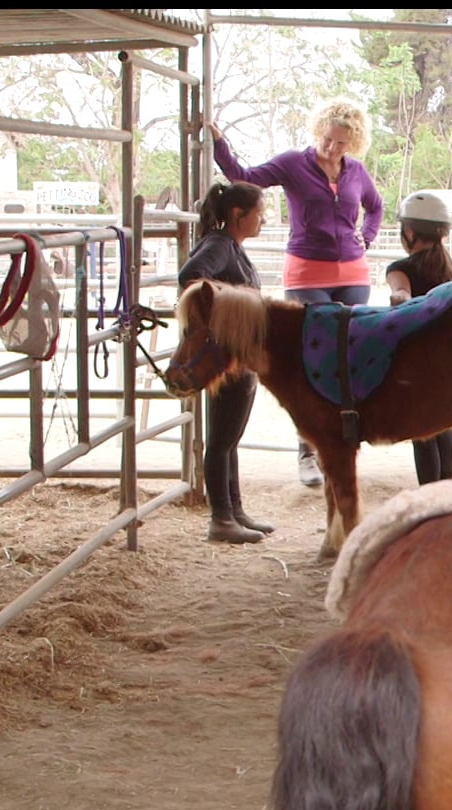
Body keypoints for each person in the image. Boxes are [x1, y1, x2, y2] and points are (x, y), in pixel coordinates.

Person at [209, 100, 385, 489]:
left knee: (349, 358)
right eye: (327, 138)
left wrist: (367, 237)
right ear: (317, 130)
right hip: (307, 271)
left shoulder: (356, 171)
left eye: (341, 143)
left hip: (353, 271)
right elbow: (244, 175)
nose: (332, 147)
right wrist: (220, 142)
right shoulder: (293, 164)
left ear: (353, 143)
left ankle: (340, 447)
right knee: (312, 360)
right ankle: (307, 451)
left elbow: (376, 207)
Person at [178, 180, 275, 544]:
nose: (262, 220)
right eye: (258, 214)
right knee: (221, 439)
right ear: (239, 215)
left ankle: (234, 509)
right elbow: (191, 276)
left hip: (239, 355)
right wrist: (225, 313)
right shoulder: (220, 246)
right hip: (227, 354)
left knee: (229, 438)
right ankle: (221, 517)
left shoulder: (231, 247)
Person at [385, 191, 452, 485]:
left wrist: (400, 298)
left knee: (423, 434)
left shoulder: (400, 268)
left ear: (410, 231)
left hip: (419, 363)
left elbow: (400, 293)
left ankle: (429, 498)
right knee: (446, 429)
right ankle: (445, 494)